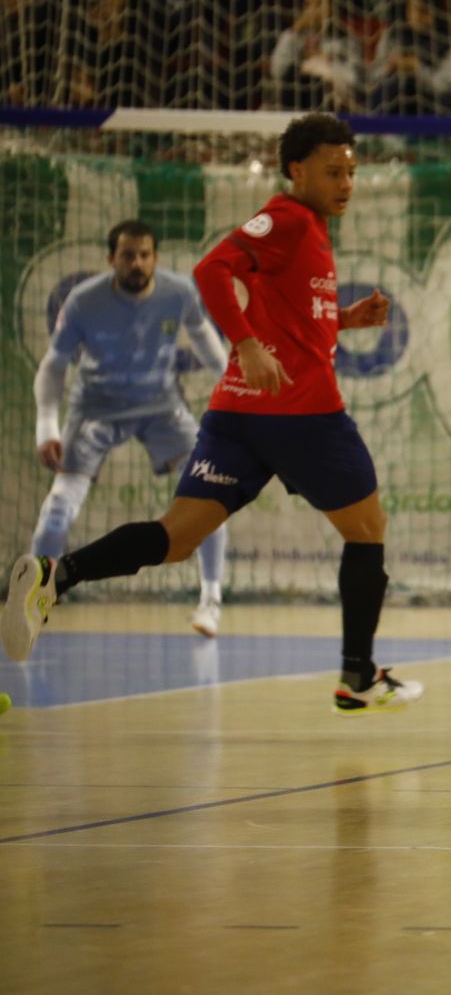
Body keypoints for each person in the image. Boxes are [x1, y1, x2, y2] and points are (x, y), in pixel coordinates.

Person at [3, 114, 423, 717]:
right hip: (303, 414)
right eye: (334, 171)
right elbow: (210, 270)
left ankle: (55, 574)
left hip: (238, 417)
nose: (347, 183)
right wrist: (247, 344)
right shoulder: (286, 218)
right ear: (296, 170)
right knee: (368, 530)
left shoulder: (308, 230)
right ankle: (357, 674)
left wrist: (344, 321)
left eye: (352, 172)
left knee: (176, 538)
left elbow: (295, 320)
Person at [29, 220, 231, 640]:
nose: (136, 263)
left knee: (210, 493)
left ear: (155, 258)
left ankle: (211, 601)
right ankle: (34, 598)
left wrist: (235, 388)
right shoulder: (84, 302)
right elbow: (53, 366)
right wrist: (47, 426)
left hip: (162, 408)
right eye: (127, 255)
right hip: (95, 410)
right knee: (59, 506)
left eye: (144, 254)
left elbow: (208, 342)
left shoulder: (179, 293)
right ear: (111, 259)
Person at [269, 0, 362, 111]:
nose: (312, 10)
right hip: (296, 95)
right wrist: (295, 30)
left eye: (318, 4)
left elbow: (354, 79)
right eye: (307, 4)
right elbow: (277, 70)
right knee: (293, 74)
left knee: (318, 81)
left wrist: (327, 61)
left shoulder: (345, 38)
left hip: (332, 97)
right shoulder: (294, 35)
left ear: (331, 7)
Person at [370, 0, 451, 116]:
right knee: (391, 85)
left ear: (433, 13)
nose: (415, 15)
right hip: (395, 95)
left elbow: (444, 84)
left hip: (431, 99)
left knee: (443, 99)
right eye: (412, 9)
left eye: (421, 11)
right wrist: (389, 67)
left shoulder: (448, 42)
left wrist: (418, 69)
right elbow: (373, 76)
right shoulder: (392, 35)